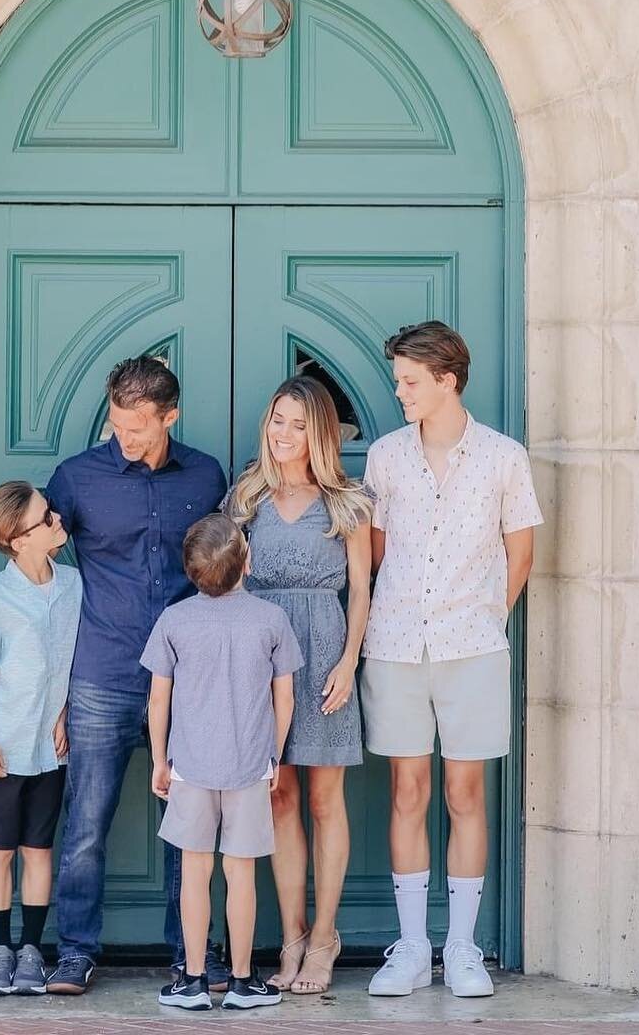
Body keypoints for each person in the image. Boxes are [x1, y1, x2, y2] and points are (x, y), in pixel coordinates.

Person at [361, 321, 541, 1000]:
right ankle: (411, 948)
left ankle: (462, 948)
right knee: (409, 791)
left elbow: (519, 554)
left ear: (448, 379)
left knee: (467, 794)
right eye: (399, 379)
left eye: (410, 381)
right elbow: (374, 553)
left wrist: (486, 619)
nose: (399, 391)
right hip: (398, 644)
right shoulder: (384, 456)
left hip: (472, 648)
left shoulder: (503, 458)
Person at [44, 355, 229, 996]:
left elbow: (226, 572)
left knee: (190, 824)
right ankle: (74, 953)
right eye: (118, 424)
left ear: (169, 416)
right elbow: (39, 567)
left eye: (139, 427)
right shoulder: (75, 478)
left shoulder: (206, 476)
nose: (126, 437)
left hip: (188, 682)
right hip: (101, 673)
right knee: (87, 821)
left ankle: (191, 955)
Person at [225, 377, 371, 996]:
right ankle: (290, 935)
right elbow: (231, 585)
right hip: (264, 660)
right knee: (278, 796)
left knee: (323, 800)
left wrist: (347, 662)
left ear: (321, 434)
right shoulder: (246, 498)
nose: (284, 436)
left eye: (298, 425)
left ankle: (326, 936)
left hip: (325, 656)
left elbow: (362, 589)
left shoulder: (349, 502)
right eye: (277, 421)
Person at [144, 514, 302, 1012]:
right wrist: (273, 755)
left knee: (194, 873)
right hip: (249, 768)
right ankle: (239, 981)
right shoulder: (271, 618)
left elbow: (158, 701)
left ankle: (191, 980)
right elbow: (285, 698)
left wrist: (158, 760)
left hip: (189, 766)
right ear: (246, 562)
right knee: (240, 875)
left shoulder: (174, 620)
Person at [0, 480, 81, 997]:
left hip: (48, 751)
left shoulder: (73, 584)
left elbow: (75, 659)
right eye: (45, 518)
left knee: (38, 849)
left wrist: (66, 711)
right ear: (19, 540)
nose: (57, 520)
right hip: (2, 746)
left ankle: (32, 949)